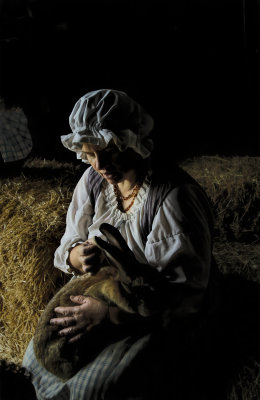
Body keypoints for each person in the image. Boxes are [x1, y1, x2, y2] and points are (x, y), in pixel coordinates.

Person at [23, 89, 220, 400]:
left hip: (147, 315)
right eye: (89, 153)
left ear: (132, 140)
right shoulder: (92, 182)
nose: (100, 164)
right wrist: (78, 256)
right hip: (98, 292)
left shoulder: (171, 198)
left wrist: (109, 316)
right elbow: (69, 243)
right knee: (33, 366)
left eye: (109, 151)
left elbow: (185, 295)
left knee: (94, 390)